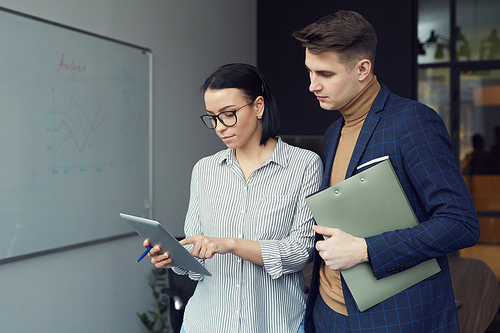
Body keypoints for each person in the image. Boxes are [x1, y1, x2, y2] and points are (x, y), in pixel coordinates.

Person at [292, 10, 480, 333]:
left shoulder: (413, 122)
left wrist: (364, 250)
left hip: (393, 319)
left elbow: (460, 224)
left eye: (324, 74)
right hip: (326, 314)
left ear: (363, 69)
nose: (312, 85)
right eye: (310, 72)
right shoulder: (333, 132)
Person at [145, 63, 323, 333]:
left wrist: (230, 244)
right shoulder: (204, 170)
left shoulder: (304, 165)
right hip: (205, 323)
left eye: (228, 114)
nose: (219, 127)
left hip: (274, 323)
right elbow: (197, 253)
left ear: (259, 106)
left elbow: (299, 253)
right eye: (212, 117)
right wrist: (174, 257)